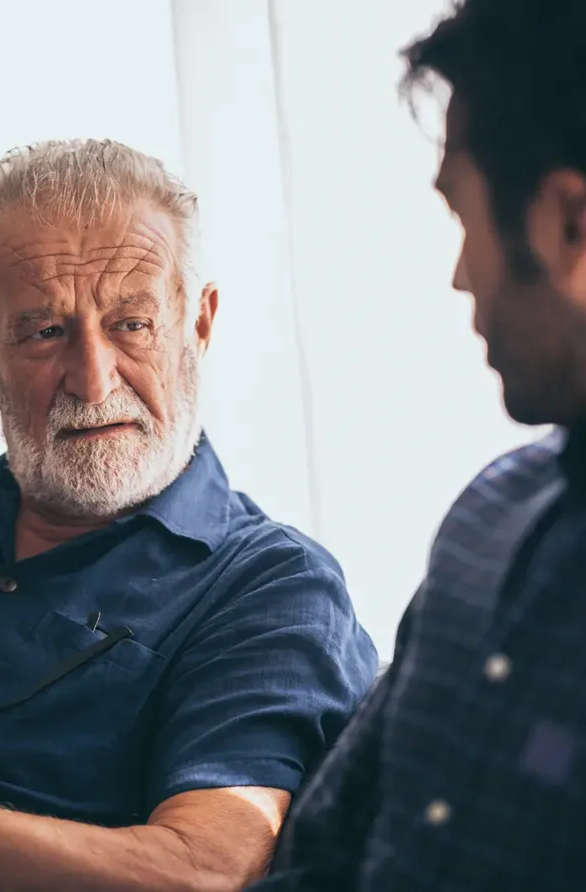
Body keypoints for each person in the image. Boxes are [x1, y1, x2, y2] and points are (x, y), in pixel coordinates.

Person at [0, 139, 377, 891]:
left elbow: (202, 872)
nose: (94, 381)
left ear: (199, 324)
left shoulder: (271, 587)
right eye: (43, 332)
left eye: (132, 324)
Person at [253, 0, 586, 890]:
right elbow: (319, 855)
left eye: (463, 217)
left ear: (567, 226)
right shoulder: (488, 519)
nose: (458, 272)